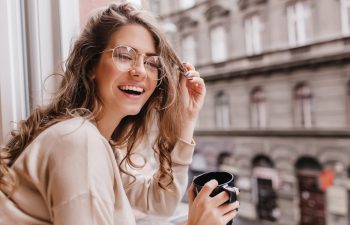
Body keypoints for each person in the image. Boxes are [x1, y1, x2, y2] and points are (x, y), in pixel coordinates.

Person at [0, 2, 239, 225]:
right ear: (91, 65)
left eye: (151, 62)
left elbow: (159, 203)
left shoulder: (97, 143)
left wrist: (186, 118)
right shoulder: (78, 143)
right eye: (124, 55)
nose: (140, 71)